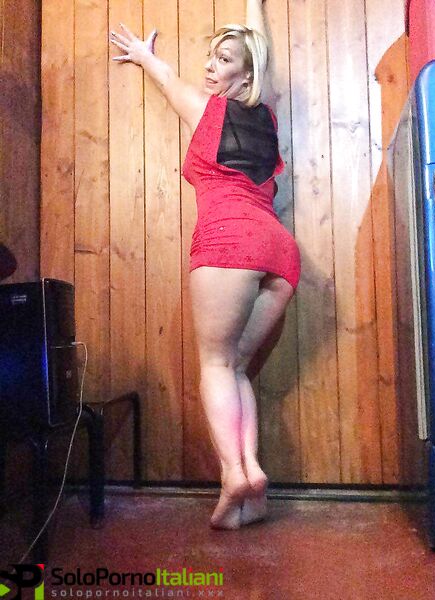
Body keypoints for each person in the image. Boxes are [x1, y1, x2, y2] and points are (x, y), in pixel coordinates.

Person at [110, 0, 300, 530]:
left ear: (244, 75)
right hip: (279, 251)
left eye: (223, 59)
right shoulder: (267, 116)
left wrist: (143, 55)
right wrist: (254, 5)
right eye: (211, 56)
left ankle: (234, 473)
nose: (210, 66)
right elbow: (263, 54)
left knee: (215, 365)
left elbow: (166, 79)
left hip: (228, 240)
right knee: (235, 366)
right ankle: (249, 486)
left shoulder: (207, 110)